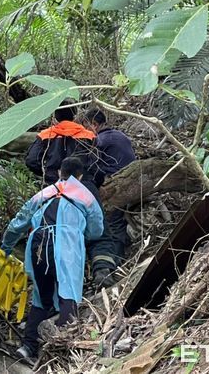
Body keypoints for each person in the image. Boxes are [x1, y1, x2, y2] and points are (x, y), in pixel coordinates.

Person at [1, 157, 104, 360]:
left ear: (59, 173)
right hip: (67, 244)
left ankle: (28, 346)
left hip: (39, 243)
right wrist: (80, 233)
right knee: (69, 294)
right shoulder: (86, 196)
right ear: (80, 176)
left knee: (41, 295)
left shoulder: (44, 194)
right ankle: (61, 351)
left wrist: (6, 246)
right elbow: (96, 229)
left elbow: (19, 222)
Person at [83, 108, 136, 288]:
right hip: (133, 183)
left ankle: (108, 270)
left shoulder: (100, 140)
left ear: (94, 125)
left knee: (110, 226)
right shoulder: (120, 136)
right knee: (119, 224)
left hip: (114, 186)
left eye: (87, 126)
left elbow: (93, 168)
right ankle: (117, 263)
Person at [25, 102, 96, 185]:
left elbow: (31, 160)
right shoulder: (89, 135)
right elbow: (96, 162)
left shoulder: (46, 135)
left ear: (55, 117)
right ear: (75, 116)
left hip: (52, 182)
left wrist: (47, 174)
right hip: (81, 183)